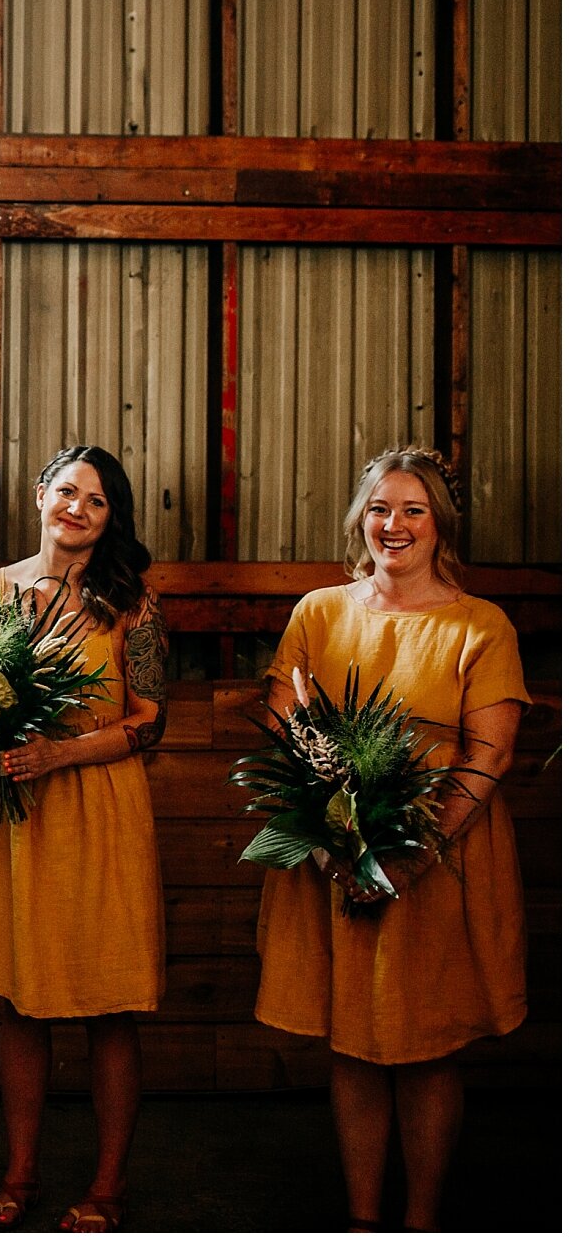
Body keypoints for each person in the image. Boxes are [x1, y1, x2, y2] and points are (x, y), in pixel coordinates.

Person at [251, 447, 528, 1233]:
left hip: (443, 854)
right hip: (332, 849)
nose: (393, 524)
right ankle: (365, 1219)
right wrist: (330, 837)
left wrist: (410, 853)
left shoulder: (481, 624)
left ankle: (421, 1220)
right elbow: (285, 722)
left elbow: (490, 754)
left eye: (413, 509)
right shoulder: (318, 611)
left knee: (428, 1043)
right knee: (356, 1040)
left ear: (440, 524)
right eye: (379, 508)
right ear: (359, 521)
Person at [0, 444, 169, 1235]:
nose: (78, 507)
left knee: (108, 1002)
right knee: (20, 998)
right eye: (68, 490)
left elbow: (152, 723)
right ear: (40, 492)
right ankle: (20, 1172)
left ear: (112, 518)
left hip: (99, 803)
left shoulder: (132, 604)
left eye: (99, 500)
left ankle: (108, 1185)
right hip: (14, 807)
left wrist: (61, 752)